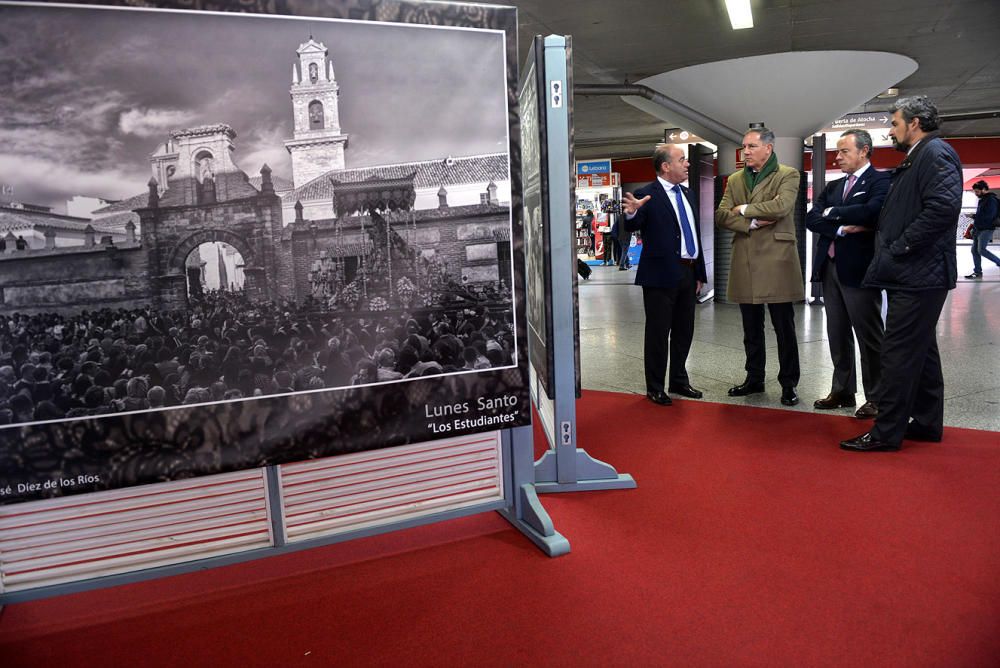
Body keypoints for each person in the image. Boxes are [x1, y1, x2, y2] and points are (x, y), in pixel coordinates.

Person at [841, 95, 962, 452]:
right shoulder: (921, 156)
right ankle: (925, 423)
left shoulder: (935, 153)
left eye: (895, 123)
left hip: (917, 272)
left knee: (896, 353)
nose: (891, 131)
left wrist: (900, 247)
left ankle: (885, 432)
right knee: (921, 351)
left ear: (914, 123)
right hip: (914, 272)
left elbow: (942, 208)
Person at [715, 127, 803, 406]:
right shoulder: (736, 179)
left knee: (783, 326)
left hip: (777, 259)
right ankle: (754, 378)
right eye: (744, 147)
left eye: (752, 146)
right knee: (750, 327)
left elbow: (782, 206)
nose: (746, 152)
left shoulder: (788, 174)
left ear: (768, 147)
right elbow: (720, 214)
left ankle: (789, 384)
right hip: (746, 259)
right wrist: (750, 222)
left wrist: (743, 210)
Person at [805, 129, 889, 420]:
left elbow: (871, 212)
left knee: (869, 336)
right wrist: (839, 226)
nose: (837, 157)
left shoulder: (880, 181)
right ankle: (842, 390)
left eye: (844, 151)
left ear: (864, 151)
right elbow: (811, 217)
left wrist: (832, 213)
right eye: (837, 152)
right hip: (830, 269)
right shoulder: (833, 186)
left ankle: (877, 397)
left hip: (860, 270)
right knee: (837, 333)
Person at [622, 143, 706, 406]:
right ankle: (655, 386)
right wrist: (633, 211)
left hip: (689, 272)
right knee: (658, 332)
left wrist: (700, 272)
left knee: (684, 330)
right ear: (666, 166)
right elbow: (633, 223)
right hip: (660, 274)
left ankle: (679, 380)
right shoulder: (646, 194)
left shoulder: (689, 194)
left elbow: (694, 234)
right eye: (682, 159)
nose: (687, 163)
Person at [965, 179, 999, 279]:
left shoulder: (991, 200)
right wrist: (974, 218)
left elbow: (989, 216)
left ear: (984, 189)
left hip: (986, 229)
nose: (976, 193)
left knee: (981, 250)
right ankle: (977, 272)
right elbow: (982, 215)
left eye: (977, 191)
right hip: (978, 229)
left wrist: (975, 216)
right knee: (974, 251)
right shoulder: (983, 200)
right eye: (975, 191)